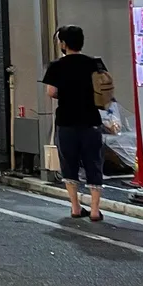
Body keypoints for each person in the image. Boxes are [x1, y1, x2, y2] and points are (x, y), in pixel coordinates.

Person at [42, 25, 107, 221]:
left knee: (68, 163)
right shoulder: (94, 63)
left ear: (63, 43)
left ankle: (75, 207)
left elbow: (51, 92)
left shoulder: (57, 66)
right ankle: (95, 210)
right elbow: (105, 87)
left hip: (67, 120)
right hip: (91, 120)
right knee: (93, 162)